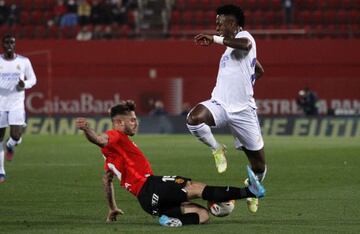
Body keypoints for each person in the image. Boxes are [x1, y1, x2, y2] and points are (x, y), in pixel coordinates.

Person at [75, 100, 265, 227]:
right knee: (196, 188)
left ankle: (170, 219)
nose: (136, 123)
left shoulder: (110, 160)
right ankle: (250, 192)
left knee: (203, 216)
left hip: (148, 203)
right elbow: (100, 139)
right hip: (150, 186)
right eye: (132, 120)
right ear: (119, 122)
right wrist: (87, 130)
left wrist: (112, 208)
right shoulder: (115, 136)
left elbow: (106, 182)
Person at [186, 4, 266, 214]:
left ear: (232, 23)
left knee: (259, 165)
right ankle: (217, 148)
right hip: (220, 104)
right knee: (193, 118)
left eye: (219, 22)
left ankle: (252, 191)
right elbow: (258, 68)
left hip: (244, 112)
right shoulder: (230, 48)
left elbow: (246, 46)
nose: (217, 26)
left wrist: (213, 39)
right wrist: (251, 71)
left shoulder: (246, 37)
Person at [0, 34, 37, 183]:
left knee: (15, 136)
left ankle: (11, 145)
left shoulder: (23, 61)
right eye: (7, 42)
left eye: (12, 42)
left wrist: (25, 85)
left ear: (15, 45)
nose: (9, 44)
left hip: (16, 103)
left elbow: (33, 79)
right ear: (3, 44)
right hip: (0, 104)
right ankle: (1, 172)